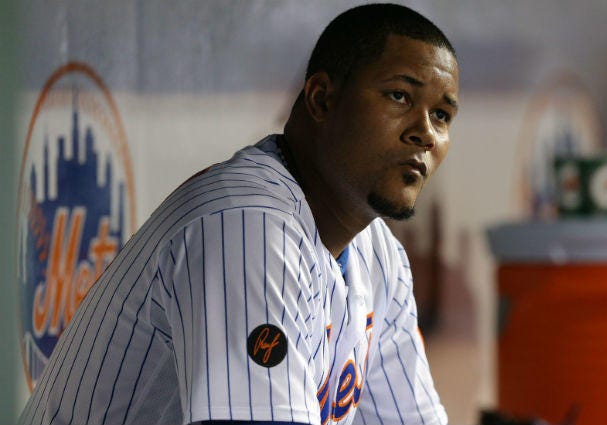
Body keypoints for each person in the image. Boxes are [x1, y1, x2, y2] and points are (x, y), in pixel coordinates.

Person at [18, 3, 459, 425]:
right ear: (322, 99)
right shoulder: (249, 224)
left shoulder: (378, 255)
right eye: (399, 95)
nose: (426, 132)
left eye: (441, 115)